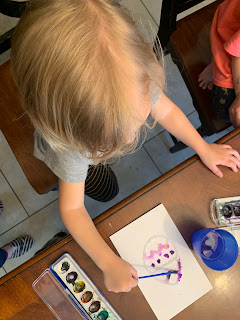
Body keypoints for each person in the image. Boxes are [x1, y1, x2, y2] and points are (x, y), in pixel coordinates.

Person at [11, 0, 240, 293]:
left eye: (138, 120)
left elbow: (166, 110)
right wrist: (107, 262)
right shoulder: (70, 147)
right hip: (73, 157)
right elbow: (72, 208)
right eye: (117, 138)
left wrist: (202, 147)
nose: (132, 140)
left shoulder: (133, 80)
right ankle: (71, 178)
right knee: (105, 190)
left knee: (106, 186)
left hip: (84, 145)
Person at [198, 0, 240, 126]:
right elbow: (237, 53)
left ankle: (218, 60)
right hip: (233, 55)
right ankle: (219, 60)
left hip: (232, 34)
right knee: (229, 112)